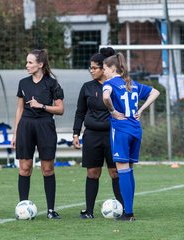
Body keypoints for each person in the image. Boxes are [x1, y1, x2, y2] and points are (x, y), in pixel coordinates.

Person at [102, 53, 160, 221]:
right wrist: (141, 110)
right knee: (129, 170)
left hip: (121, 130)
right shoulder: (131, 83)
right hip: (136, 130)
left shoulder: (109, 83)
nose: (104, 72)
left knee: (122, 170)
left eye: (105, 68)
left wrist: (112, 111)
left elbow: (106, 96)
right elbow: (155, 92)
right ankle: (129, 210)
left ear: (112, 68)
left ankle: (128, 213)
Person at [11, 49, 64, 219]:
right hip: (26, 126)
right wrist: (15, 133)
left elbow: (60, 109)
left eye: (30, 62)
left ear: (40, 64)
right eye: (27, 62)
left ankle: (50, 210)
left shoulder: (52, 83)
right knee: (24, 168)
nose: (27, 65)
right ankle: (23, 209)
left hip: (45, 126)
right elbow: (19, 109)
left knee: (47, 169)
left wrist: (41, 106)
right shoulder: (23, 83)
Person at [72, 47, 124, 219]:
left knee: (115, 172)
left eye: (94, 68)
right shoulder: (87, 87)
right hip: (92, 136)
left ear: (104, 68)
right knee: (92, 172)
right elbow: (80, 112)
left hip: (113, 135)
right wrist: (75, 133)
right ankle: (89, 211)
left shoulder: (116, 86)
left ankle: (124, 210)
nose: (91, 71)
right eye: (90, 68)